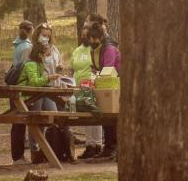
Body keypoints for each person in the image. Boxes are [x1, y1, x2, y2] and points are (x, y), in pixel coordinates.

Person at [18, 40, 69, 161]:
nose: (46, 57)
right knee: (36, 120)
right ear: (39, 54)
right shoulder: (30, 64)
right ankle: (34, 149)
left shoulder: (40, 65)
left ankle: (54, 146)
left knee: (54, 115)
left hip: (41, 92)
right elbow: (34, 81)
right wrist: (49, 78)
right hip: (29, 96)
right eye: (45, 54)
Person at [71, 30, 104, 159]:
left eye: (87, 35)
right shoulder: (77, 50)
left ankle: (97, 144)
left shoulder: (95, 50)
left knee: (95, 114)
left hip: (93, 83)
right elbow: (73, 66)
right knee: (86, 115)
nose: (84, 37)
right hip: (79, 85)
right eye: (83, 35)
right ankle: (89, 145)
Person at [90, 19, 120, 159]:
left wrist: (98, 76)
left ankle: (114, 146)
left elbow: (109, 67)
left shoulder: (108, 49)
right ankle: (108, 146)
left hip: (116, 84)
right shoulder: (99, 49)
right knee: (105, 116)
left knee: (112, 117)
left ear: (101, 37)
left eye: (94, 38)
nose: (92, 41)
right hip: (107, 84)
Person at [8, 21, 35, 162]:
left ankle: (17, 155)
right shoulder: (27, 47)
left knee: (17, 122)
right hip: (22, 87)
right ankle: (18, 156)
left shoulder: (18, 45)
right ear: (31, 31)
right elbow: (25, 68)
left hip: (15, 86)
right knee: (19, 123)